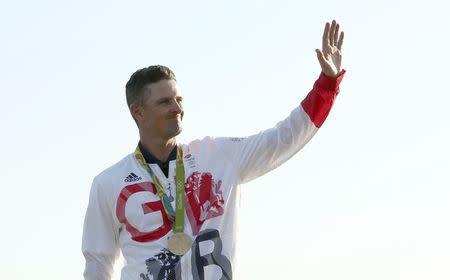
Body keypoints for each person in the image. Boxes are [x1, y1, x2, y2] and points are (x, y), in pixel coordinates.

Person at [82, 20, 346, 280]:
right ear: (138, 112)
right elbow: (98, 263)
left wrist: (328, 83)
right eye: (164, 102)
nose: (177, 108)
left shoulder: (219, 157)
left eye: (179, 99)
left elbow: (285, 137)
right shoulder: (108, 183)